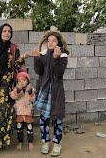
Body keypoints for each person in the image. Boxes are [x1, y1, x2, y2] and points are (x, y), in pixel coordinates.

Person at [33, 28, 69, 157]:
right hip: (44, 91)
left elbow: (58, 73)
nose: (50, 43)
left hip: (56, 93)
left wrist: (55, 58)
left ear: (58, 43)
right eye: (49, 40)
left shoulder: (63, 56)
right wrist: (37, 58)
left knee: (57, 120)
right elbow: (38, 71)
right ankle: (45, 142)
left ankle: (57, 144)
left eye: (54, 41)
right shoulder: (43, 54)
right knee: (43, 120)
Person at [10, 72, 35, 151]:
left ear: (27, 81)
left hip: (28, 112)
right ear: (17, 82)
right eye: (20, 81)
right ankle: (20, 141)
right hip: (19, 112)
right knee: (19, 128)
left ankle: (30, 141)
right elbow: (13, 97)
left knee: (29, 128)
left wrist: (31, 93)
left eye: (24, 80)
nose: (22, 82)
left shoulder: (31, 89)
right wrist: (17, 90)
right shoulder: (16, 89)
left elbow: (33, 99)